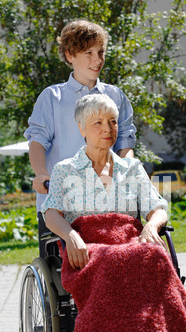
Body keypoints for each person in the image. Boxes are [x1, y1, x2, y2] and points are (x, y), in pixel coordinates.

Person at [41, 94, 186, 332]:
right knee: (113, 261)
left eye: (113, 121)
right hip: (88, 247)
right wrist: (71, 237)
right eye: (98, 122)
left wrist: (151, 227)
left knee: (154, 254)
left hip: (130, 240)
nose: (108, 128)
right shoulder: (64, 170)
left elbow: (158, 207)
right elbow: (51, 214)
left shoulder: (133, 168)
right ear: (81, 128)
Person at [24, 19, 136, 258]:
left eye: (101, 52)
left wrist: (128, 168)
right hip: (61, 204)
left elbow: (125, 141)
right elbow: (37, 142)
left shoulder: (116, 96)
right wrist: (42, 173)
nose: (98, 60)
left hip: (108, 200)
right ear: (70, 55)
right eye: (89, 53)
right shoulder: (52, 97)